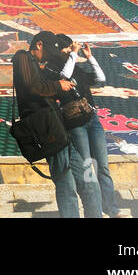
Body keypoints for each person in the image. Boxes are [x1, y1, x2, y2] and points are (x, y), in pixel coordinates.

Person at [13, 30, 100, 219]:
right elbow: (32, 87)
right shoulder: (22, 58)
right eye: (48, 53)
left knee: (88, 179)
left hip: (59, 126)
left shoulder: (39, 66)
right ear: (39, 45)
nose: (49, 59)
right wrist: (58, 86)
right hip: (46, 128)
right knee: (66, 184)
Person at [56, 36, 123, 217]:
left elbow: (101, 78)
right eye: (67, 48)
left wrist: (90, 56)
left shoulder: (77, 69)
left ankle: (111, 207)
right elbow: (64, 76)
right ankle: (93, 207)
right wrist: (73, 54)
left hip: (92, 120)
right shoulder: (55, 67)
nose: (71, 50)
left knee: (102, 165)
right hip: (75, 122)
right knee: (86, 165)